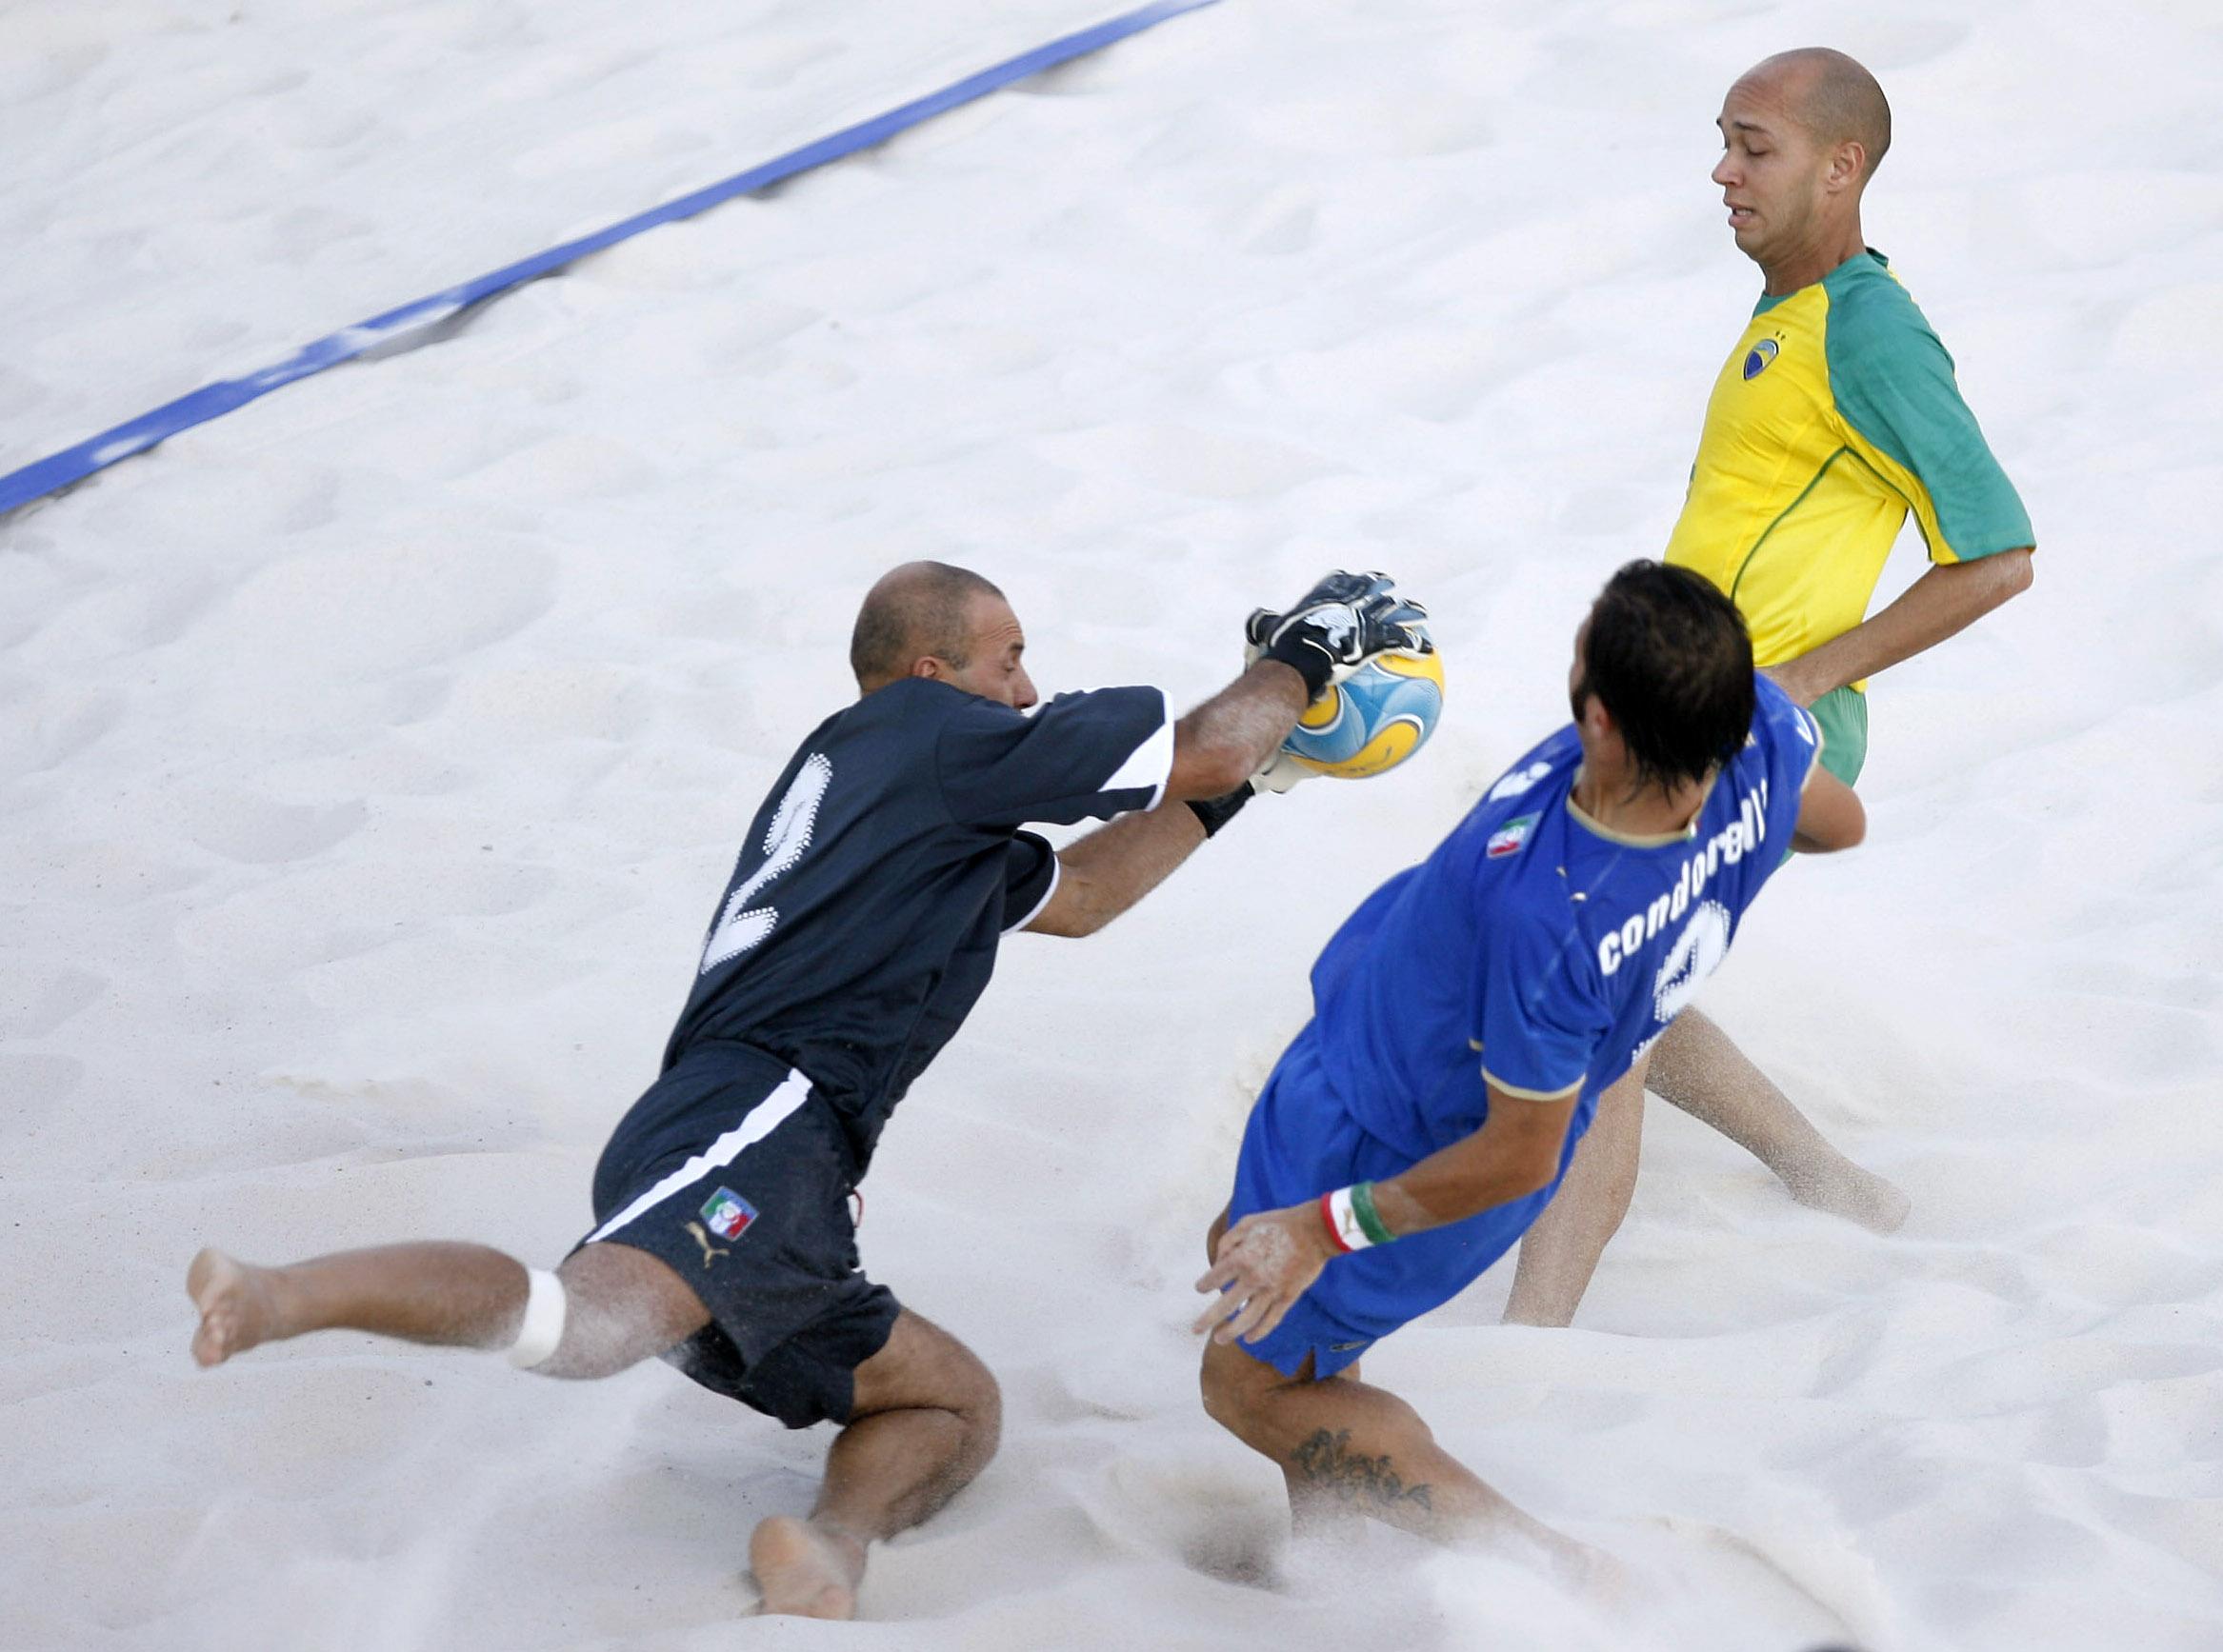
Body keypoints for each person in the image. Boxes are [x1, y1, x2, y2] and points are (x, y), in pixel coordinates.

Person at [186, 561, 1431, 1620]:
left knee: (950, 1401)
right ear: (930, 668)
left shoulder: (921, 822)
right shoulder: (923, 736)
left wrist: (1260, 784)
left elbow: (1089, 894)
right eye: (1007, 658)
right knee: (585, 1326)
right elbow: (1200, 738)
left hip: (793, 1151)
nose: (1028, 687)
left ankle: (827, 1546)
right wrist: (1306, 656)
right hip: (755, 1109)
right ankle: (284, 1290)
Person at [1195, 562, 1863, 1583]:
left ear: (1598, 716)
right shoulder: (1759, 738)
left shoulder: (1553, 917)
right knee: (1269, 1300)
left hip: (1393, 1132)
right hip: (1376, 1057)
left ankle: (1548, 1569)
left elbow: (1518, 1155)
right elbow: (1839, 823)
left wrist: (1318, 1227)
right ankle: (1325, 1557)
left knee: (1249, 1382)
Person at [1504, 48, 2039, 1321]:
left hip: (1741, 738)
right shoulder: (1788, 314)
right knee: (1594, 978)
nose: (1722, 169)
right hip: (1671, 719)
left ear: (1839, 166)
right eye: (1723, 140)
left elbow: (1998, 553)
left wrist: (1795, 678)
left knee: (1596, 1009)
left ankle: (1530, 1344)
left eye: (1754, 146)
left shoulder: (1869, 329)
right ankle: (1829, 1181)